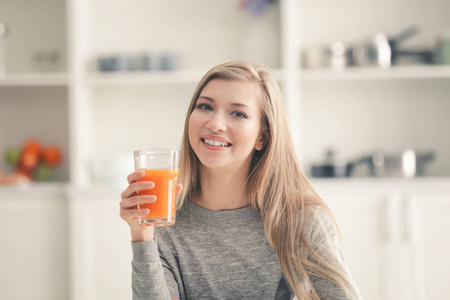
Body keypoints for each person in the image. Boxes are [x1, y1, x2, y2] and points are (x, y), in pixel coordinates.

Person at [120, 61, 361, 300]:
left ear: (262, 137)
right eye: (205, 106)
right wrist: (142, 236)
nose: (214, 124)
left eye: (238, 113)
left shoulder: (298, 219)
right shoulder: (164, 219)